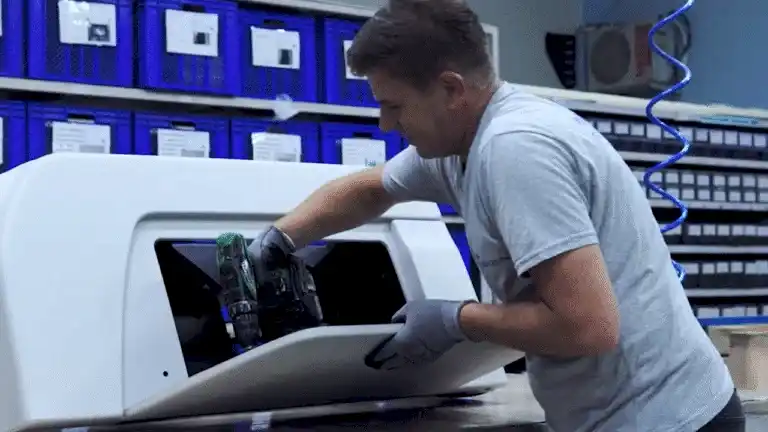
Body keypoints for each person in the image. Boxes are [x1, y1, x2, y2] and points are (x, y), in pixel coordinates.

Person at [226, 0, 746, 430]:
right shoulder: (459, 144)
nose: (385, 124)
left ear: (452, 90)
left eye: (395, 106)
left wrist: (458, 320)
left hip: (668, 418)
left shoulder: (515, 150)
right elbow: (368, 190)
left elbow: (588, 327)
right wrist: (278, 240)